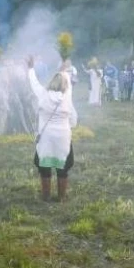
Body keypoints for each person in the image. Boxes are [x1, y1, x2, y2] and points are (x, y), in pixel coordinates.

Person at [27, 56, 77, 202]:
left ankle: (46, 196)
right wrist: (64, 70)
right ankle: (61, 197)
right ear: (65, 84)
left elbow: (34, 83)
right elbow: (69, 85)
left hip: (46, 137)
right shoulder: (67, 96)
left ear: (50, 83)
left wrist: (30, 68)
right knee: (63, 168)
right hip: (63, 136)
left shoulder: (43, 95)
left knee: (44, 167)